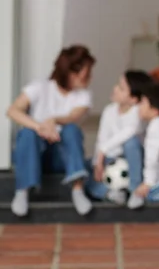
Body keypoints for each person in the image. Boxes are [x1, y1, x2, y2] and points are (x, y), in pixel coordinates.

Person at [7, 45, 97, 217]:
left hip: (60, 157)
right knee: (27, 133)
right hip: (36, 154)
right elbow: (13, 111)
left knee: (71, 130)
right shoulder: (40, 87)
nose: (89, 77)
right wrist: (39, 127)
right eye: (86, 73)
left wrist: (53, 120)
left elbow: (74, 116)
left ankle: (78, 189)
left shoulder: (83, 95)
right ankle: (22, 191)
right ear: (71, 72)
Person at [85, 70, 153, 208]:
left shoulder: (138, 112)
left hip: (134, 160)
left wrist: (102, 151)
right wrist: (98, 162)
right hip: (111, 158)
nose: (115, 89)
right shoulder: (109, 111)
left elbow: (130, 132)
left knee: (131, 142)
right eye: (117, 85)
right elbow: (101, 139)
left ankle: (135, 190)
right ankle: (110, 193)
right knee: (86, 169)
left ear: (134, 99)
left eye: (121, 88)